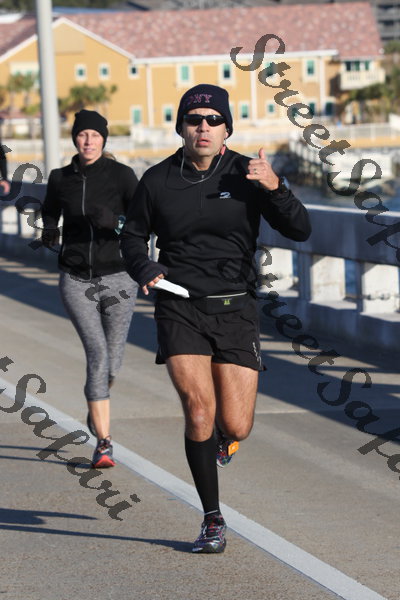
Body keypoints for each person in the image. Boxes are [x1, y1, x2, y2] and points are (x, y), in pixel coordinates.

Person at [120, 84, 311, 553]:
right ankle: (212, 519)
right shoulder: (157, 180)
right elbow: (131, 238)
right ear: (181, 127)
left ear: (227, 128)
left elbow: (300, 229)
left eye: (213, 120)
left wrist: (276, 188)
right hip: (179, 305)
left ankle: (224, 439)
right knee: (199, 411)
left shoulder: (248, 174)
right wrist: (145, 267)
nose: (203, 127)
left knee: (237, 424)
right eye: (194, 120)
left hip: (236, 308)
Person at [41, 109, 139, 468]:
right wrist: (49, 228)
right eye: (83, 135)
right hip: (76, 277)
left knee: (114, 360)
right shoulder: (60, 178)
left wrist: (116, 222)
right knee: (97, 354)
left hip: (120, 277)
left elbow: (144, 223)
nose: (88, 141)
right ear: (75, 139)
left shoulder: (122, 176)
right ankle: (104, 442)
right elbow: (50, 210)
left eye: (95, 135)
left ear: (103, 139)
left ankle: (96, 406)